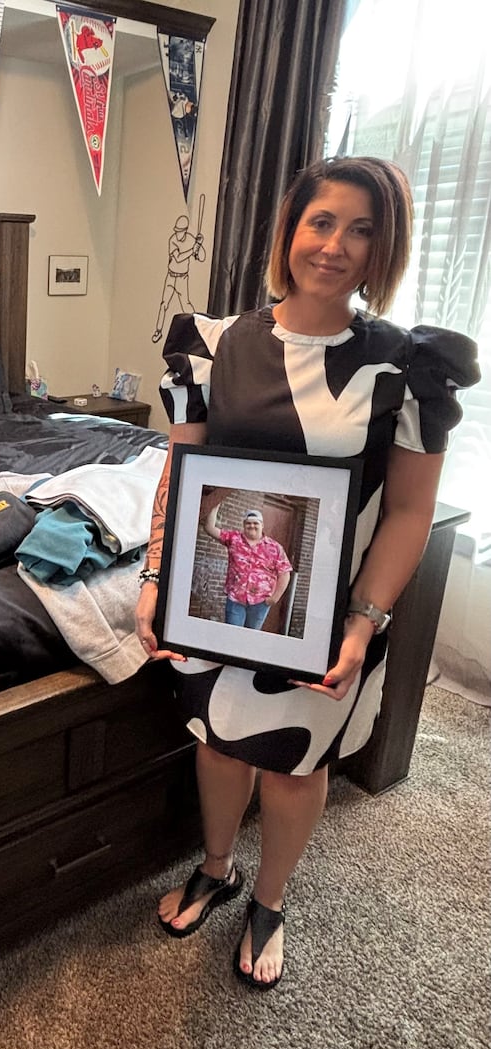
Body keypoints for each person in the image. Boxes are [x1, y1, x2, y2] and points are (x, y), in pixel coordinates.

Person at [134, 156, 480, 990]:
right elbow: (181, 473)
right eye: (321, 221)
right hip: (214, 598)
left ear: (383, 249)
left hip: (325, 611)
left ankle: (272, 898)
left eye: (362, 230)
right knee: (217, 743)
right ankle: (218, 868)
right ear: (290, 229)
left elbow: (406, 513)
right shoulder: (211, 345)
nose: (335, 245)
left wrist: (364, 623)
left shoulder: (405, 370)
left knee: (293, 764)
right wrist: (155, 574)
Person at [199, 496, 292, 629]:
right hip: (235, 599)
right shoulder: (234, 539)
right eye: (248, 523)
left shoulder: (275, 547)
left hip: (260, 602)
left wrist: (275, 597)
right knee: (231, 634)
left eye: (256, 523)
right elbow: (209, 528)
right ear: (244, 525)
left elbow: (285, 573)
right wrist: (216, 503)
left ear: (262, 525)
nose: (252, 526)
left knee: (250, 638)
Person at [151, 216, 207, 342]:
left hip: (182, 278)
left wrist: (198, 245)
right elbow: (178, 257)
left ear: (185, 230)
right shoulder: (172, 240)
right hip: (171, 276)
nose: (178, 233)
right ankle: (158, 331)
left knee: (186, 305)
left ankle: (199, 329)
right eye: (176, 230)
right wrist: (192, 250)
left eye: (180, 231)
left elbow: (201, 257)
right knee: (164, 304)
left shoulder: (191, 240)